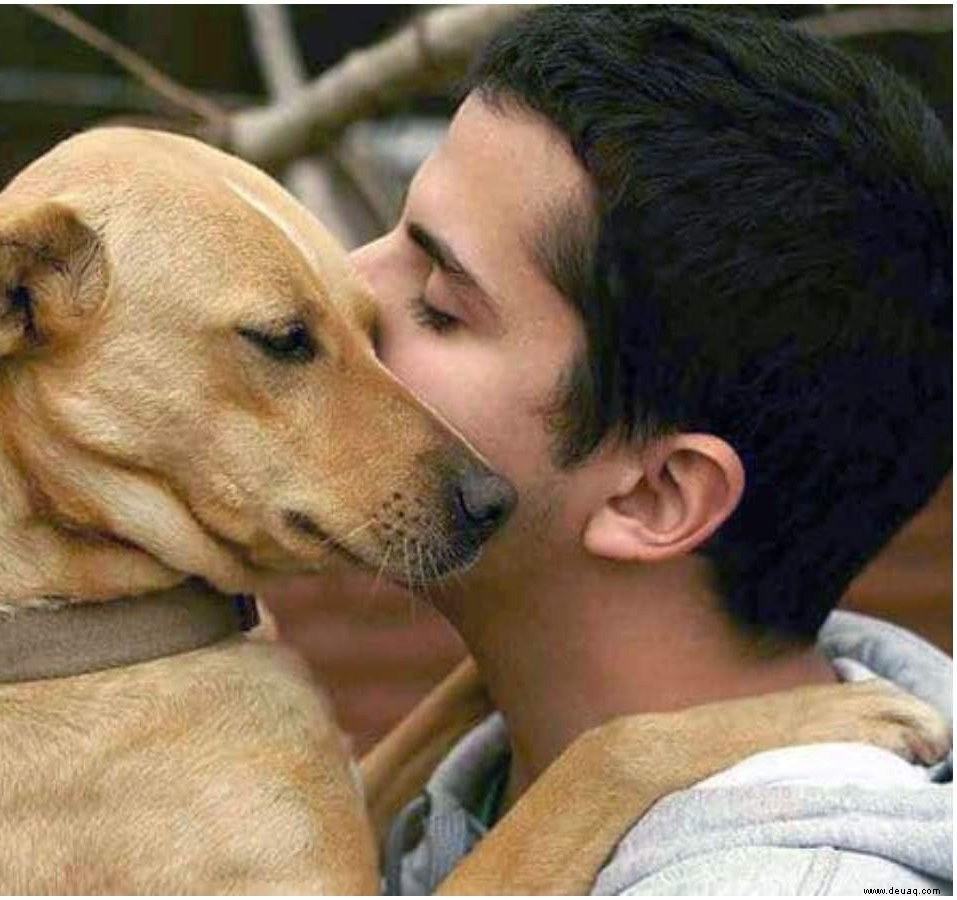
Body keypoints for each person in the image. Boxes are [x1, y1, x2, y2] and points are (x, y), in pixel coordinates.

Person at [345, 7, 952, 894]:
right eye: (386, 230)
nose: (344, 290)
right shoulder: (470, 794)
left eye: (440, 302)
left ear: (656, 496)